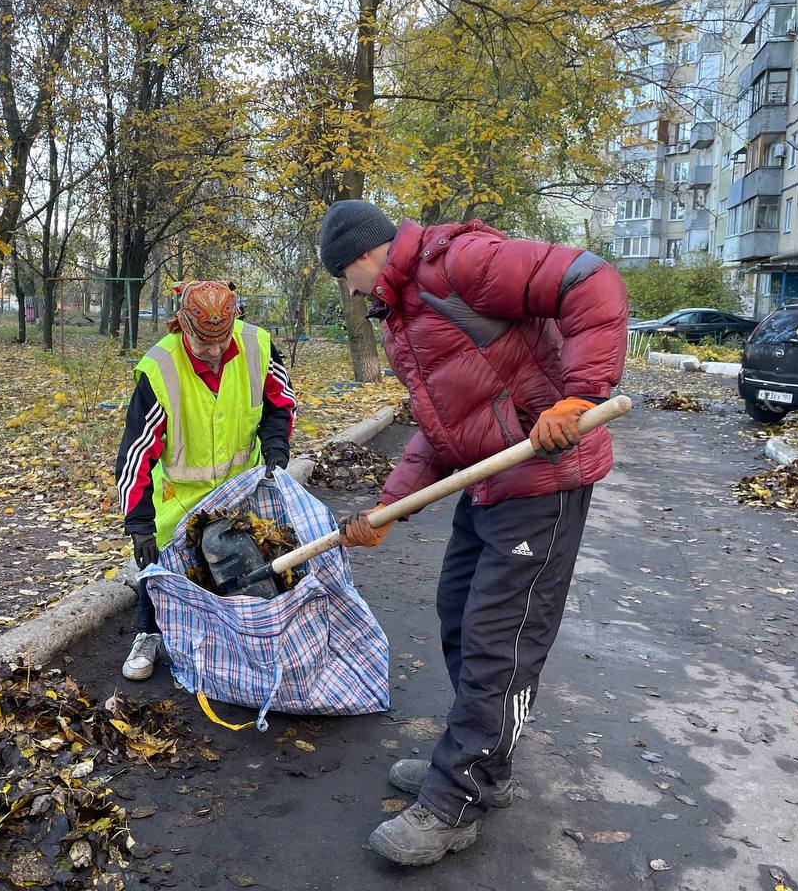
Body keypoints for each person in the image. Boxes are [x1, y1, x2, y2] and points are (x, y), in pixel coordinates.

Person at [318, 199, 627, 866]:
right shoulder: (404, 318)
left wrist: (580, 395)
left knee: (499, 642)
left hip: (545, 478)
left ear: (363, 256)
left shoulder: (458, 264)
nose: (350, 290)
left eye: (346, 275)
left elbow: (590, 278)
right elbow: (442, 434)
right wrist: (388, 509)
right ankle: (480, 758)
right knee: (457, 615)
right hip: (492, 483)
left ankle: (457, 798)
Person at [114, 280, 296, 680]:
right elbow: (136, 453)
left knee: (243, 565)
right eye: (204, 345)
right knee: (157, 563)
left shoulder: (258, 347)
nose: (215, 353)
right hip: (180, 496)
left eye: (222, 342)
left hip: (240, 488)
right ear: (182, 327)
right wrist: (139, 524)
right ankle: (148, 631)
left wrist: (277, 447)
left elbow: (279, 405)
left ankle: (237, 633)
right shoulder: (159, 369)